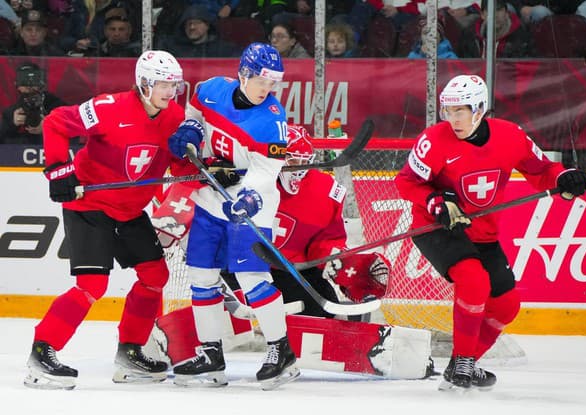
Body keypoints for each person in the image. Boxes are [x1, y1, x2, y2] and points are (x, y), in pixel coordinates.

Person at [394, 74, 586, 391]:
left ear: (480, 108)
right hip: (436, 225)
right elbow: (406, 182)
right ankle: (464, 365)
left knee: (507, 304)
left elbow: (542, 171)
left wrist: (564, 177)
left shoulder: (510, 136)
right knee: (473, 281)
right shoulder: (434, 140)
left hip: (480, 230)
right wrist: (435, 201)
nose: (453, 118)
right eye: (448, 110)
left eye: (461, 110)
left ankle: (463, 362)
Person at [24, 50, 195, 390]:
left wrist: (203, 168)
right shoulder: (108, 107)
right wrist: (60, 172)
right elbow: (56, 122)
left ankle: (130, 351)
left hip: (130, 211)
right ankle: (42, 352)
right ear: (144, 83)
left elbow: (179, 166)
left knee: (154, 276)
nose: (168, 92)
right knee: (93, 286)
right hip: (89, 206)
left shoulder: (174, 117)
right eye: (162, 84)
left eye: (173, 85)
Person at [166, 42, 298, 389]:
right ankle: (212, 355)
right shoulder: (210, 91)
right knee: (202, 274)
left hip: (252, 200)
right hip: (211, 194)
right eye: (262, 82)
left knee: (252, 278)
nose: (268, 90)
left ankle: (280, 351)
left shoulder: (273, 119)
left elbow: (266, 170)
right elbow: (194, 116)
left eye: (273, 83)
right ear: (243, 74)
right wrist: (191, 132)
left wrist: (250, 195)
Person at [222, 125, 390, 318]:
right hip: (242, 266)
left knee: (323, 309)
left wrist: (331, 258)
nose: (298, 168)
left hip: (289, 270)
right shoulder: (248, 181)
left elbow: (326, 239)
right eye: (293, 159)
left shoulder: (324, 190)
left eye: (304, 161)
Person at [0, 62, 65, 145]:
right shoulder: (11, 112)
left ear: (41, 83)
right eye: (24, 81)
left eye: (34, 80)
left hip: (50, 149)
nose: (29, 85)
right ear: (16, 84)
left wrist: (49, 126)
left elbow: (74, 128)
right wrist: (12, 124)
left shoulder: (57, 105)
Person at [155, 4, 239, 58]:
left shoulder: (223, 50)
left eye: (197, 23)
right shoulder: (172, 49)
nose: (192, 27)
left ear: (207, 25)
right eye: (188, 23)